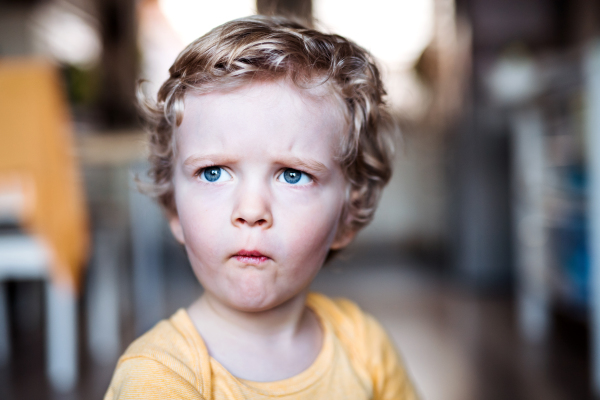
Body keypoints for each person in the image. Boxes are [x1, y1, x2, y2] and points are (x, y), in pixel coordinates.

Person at [104, 15, 418, 400]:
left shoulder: (364, 347)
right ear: (173, 207)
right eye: (214, 172)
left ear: (347, 215)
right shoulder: (159, 379)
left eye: (291, 175)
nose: (251, 211)